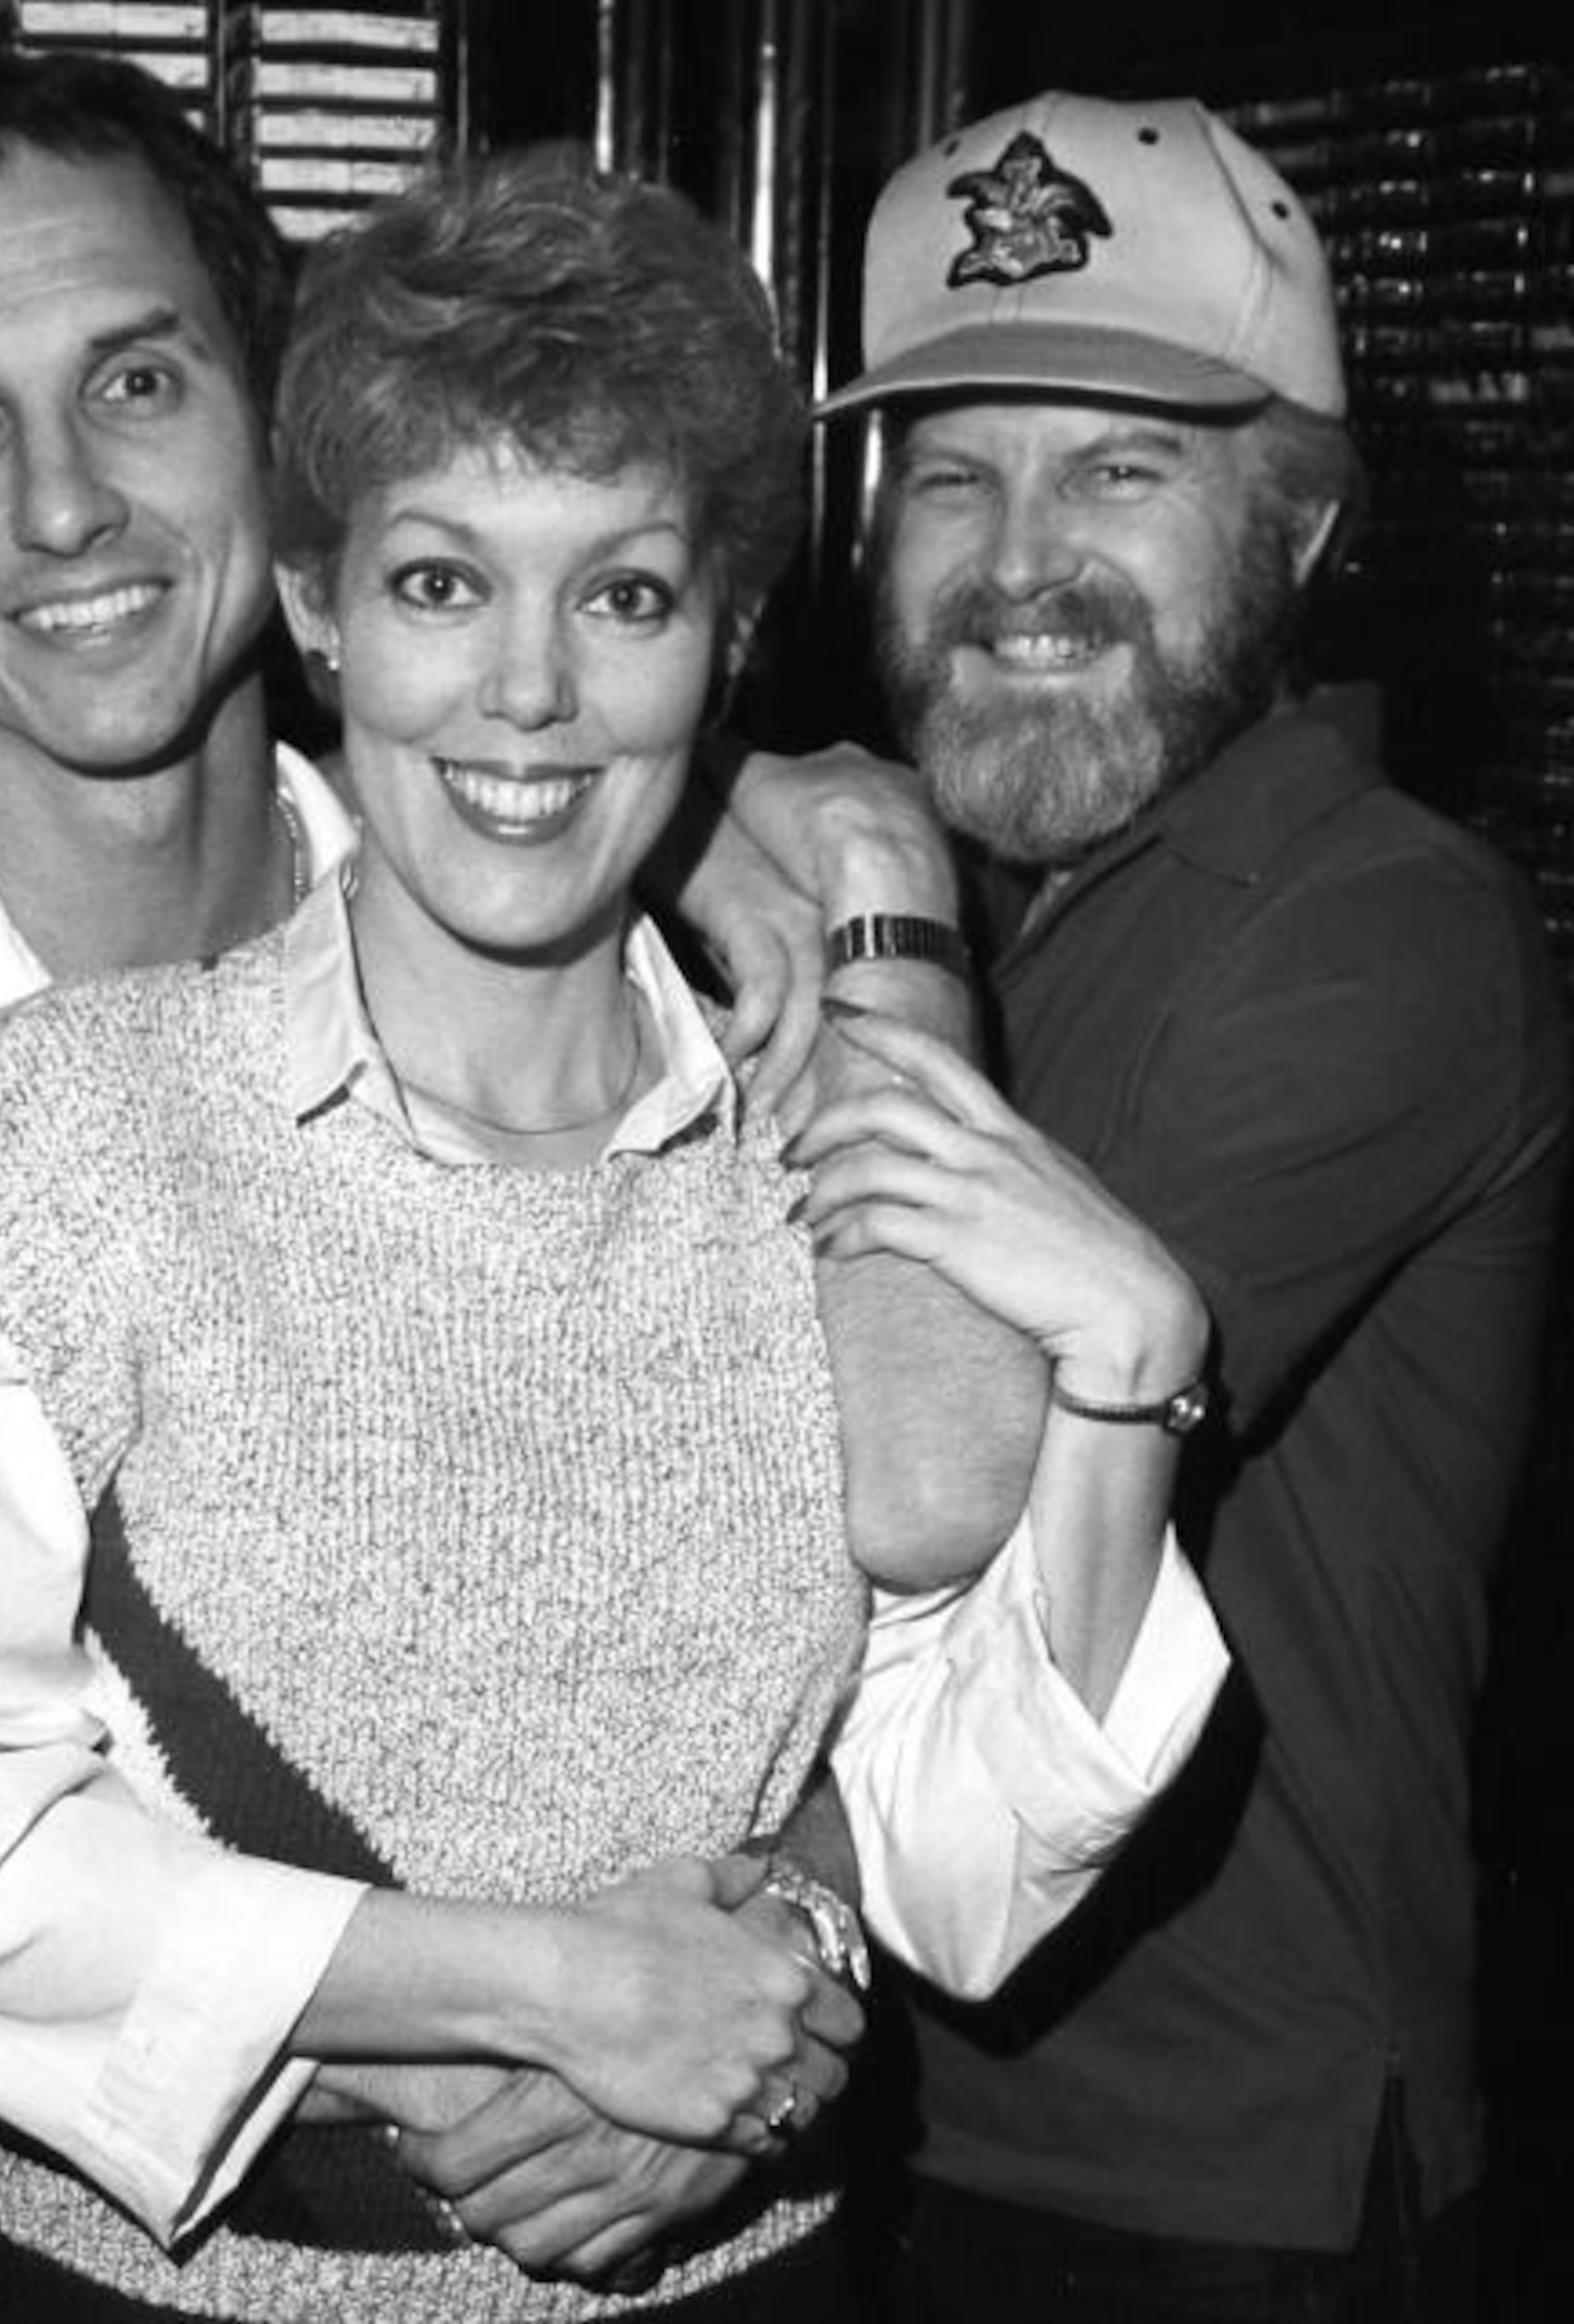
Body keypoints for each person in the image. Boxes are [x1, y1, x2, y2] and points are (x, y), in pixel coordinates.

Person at [0, 144, 1227, 2322]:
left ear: (724, 638)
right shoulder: (57, 1148)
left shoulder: (816, 1179)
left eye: (619, 595)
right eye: (444, 583)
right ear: (321, 606)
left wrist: (1129, 1374)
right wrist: (541, 1993)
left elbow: (959, 1861)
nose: (526, 695)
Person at [812, 88, 1571, 2323]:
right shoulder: (1004, 894)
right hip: (906, 2107)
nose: (1017, 559)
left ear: (1309, 526)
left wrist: (853, 877)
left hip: (1210, 2191)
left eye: (1121, 471)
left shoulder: (1387, 928)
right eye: (956, 472)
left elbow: (917, 1466)